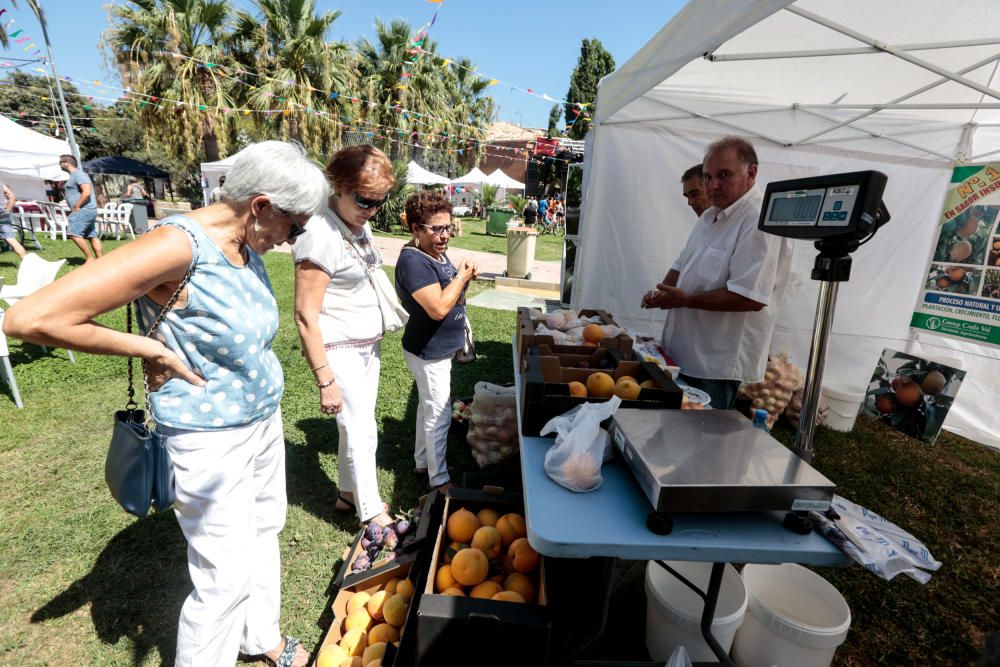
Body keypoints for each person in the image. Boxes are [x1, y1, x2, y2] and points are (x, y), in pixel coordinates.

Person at [4, 141, 328, 667]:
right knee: (221, 577)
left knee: (265, 531)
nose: (294, 240)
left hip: (261, 421)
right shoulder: (176, 246)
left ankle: (260, 637)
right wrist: (149, 347)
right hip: (210, 436)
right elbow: (30, 320)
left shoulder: (244, 244)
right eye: (296, 226)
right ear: (262, 206)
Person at [641, 137, 792, 409]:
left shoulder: (758, 219)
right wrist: (661, 293)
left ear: (751, 173)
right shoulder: (711, 216)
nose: (713, 186)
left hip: (715, 364)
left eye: (724, 175)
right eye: (709, 177)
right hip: (682, 354)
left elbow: (750, 298)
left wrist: (684, 299)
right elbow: (681, 265)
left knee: (700, 439)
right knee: (675, 435)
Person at [292, 145, 396, 527]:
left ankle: (348, 493)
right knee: (361, 429)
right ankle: (371, 513)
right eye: (365, 200)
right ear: (337, 185)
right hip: (338, 347)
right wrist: (325, 380)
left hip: (366, 342)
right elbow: (304, 315)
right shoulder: (318, 234)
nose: (372, 210)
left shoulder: (358, 222)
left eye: (379, 202)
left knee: (356, 421)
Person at [395, 191, 479, 491]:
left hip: (436, 349)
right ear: (416, 229)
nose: (445, 236)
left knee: (427, 408)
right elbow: (438, 308)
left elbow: (448, 293)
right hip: (428, 351)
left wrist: (462, 279)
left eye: (448, 227)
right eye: (436, 229)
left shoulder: (433, 253)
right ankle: (439, 479)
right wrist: (461, 276)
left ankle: (422, 462)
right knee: (439, 413)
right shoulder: (413, 261)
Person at [60, 155, 102, 262]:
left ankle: (89, 258)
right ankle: (101, 260)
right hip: (87, 210)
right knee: (91, 235)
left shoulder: (78, 175)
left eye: (61, 162)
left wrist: (77, 206)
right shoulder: (75, 176)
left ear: (67, 163)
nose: (59, 164)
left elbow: (86, 192)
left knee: (73, 233)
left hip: (83, 209)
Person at [0, 180, 26, 260]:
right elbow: (12, 196)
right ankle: (27, 263)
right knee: (11, 239)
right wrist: (7, 211)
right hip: (2, 212)